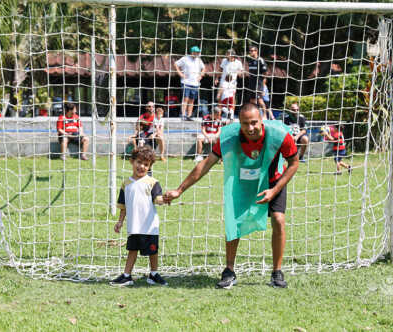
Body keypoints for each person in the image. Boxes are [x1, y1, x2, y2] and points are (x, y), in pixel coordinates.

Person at [165, 103, 299, 289]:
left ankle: (277, 272)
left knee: (278, 219)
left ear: (262, 120)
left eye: (254, 122)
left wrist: (274, 190)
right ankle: (229, 271)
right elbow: (206, 164)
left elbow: (294, 163)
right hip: (244, 182)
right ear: (239, 123)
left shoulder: (279, 135)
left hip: (273, 181)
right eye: (245, 124)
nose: (250, 128)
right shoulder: (229, 137)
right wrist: (179, 190)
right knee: (234, 221)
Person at [110, 146, 167, 287]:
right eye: (139, 162)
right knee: (132, 251)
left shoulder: (153, 182)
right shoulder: (126, 184)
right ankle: (127, 276)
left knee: (153, 252)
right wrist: (120, 222)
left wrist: (165, 199)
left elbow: (157, 199)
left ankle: (153, 274)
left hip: (150, 226)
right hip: (134, 226)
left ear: (150, 166)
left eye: (146, 164)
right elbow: (123, 206)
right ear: (131, 161)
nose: (142, 166)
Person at [174, 46, 206, 121]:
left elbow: (204, 68)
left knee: (192, 100)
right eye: (196, 52)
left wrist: (201, 76)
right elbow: (176, 64)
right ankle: (183, 115)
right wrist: (180, 74)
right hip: (186, 82)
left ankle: (189, 115)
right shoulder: (185, 58)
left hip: (195, 83)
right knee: (185, 99)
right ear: (192, 52)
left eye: (198, 52)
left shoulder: (199, 60)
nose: (197, 53)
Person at [244, 46, 268, 115]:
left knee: (260, 101)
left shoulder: (260, 60)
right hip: (252, 84)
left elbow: (265, 74)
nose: (251, 52)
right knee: (252, 101)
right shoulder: (250, 60)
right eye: (250, 51)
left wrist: (263, 87)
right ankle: (254, 114)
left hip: (259, 84)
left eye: (252, 50)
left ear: (256, 51)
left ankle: (265, 115)